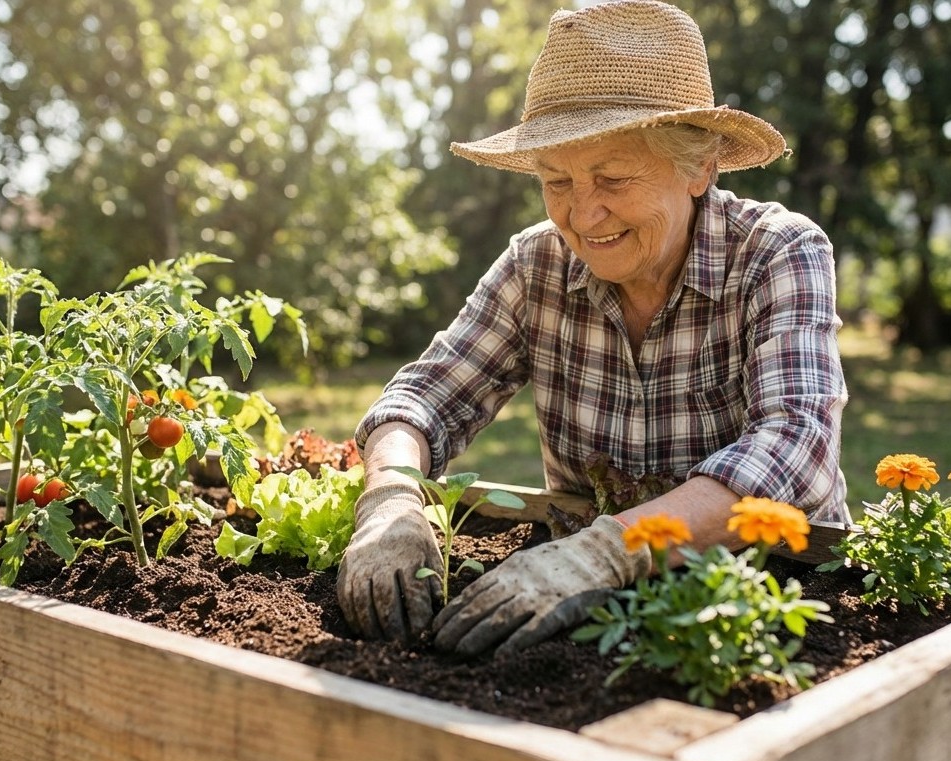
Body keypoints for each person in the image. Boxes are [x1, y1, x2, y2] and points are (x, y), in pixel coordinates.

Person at [337, 0, 850, 658]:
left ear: (699, 168)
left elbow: (795, 447)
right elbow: (425, 396)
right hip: (585, 608)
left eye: (612, 178)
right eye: (557, 182)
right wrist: (391, 498)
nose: (582, 215)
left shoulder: (776, 252)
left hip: (763, 602)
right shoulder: (537, 264)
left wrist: (608, 551)